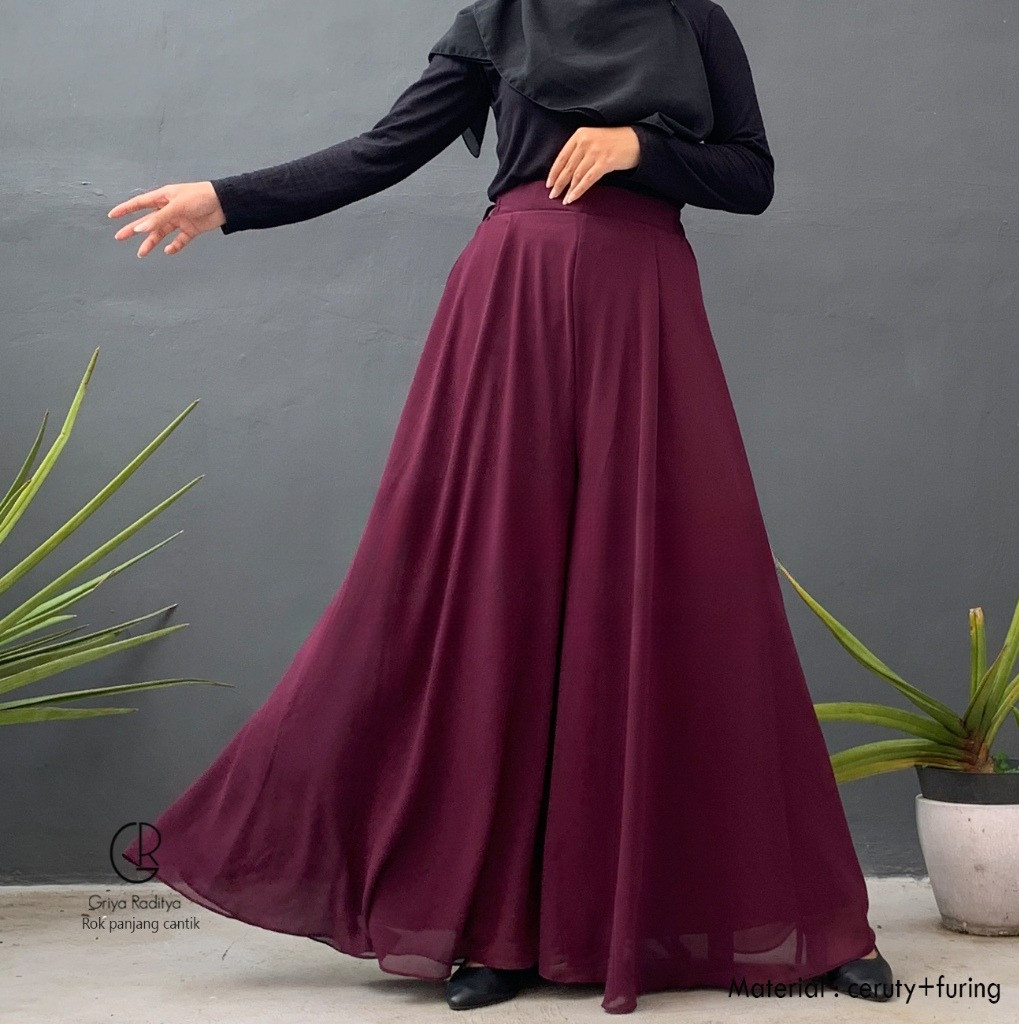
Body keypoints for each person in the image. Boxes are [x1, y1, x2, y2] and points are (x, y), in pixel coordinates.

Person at [111, 0, 895, 1014]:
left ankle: (810, 919)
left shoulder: (692, 20)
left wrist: (641, 148)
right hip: (510, 311)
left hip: (643, 310)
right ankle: (497, 926)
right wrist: (226, 198)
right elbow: (386, 148)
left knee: (696, 590)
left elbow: (752, 176)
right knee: (496, 601)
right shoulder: (499, 20)